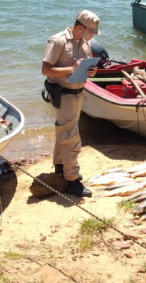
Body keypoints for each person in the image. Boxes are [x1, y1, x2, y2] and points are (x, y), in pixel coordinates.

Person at [42, 10, 101, 197]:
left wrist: (92, 72)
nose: (92, 36)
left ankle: (60, 167)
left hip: (78, 93)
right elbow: (45, 70)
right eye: (90, 31)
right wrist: (71, 68)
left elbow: (84, 69)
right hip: (63, 94)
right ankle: (72, 180)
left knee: (66, 131)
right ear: (80, 27)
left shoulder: (86, 43)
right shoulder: (57, 41)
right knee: (71, 136)